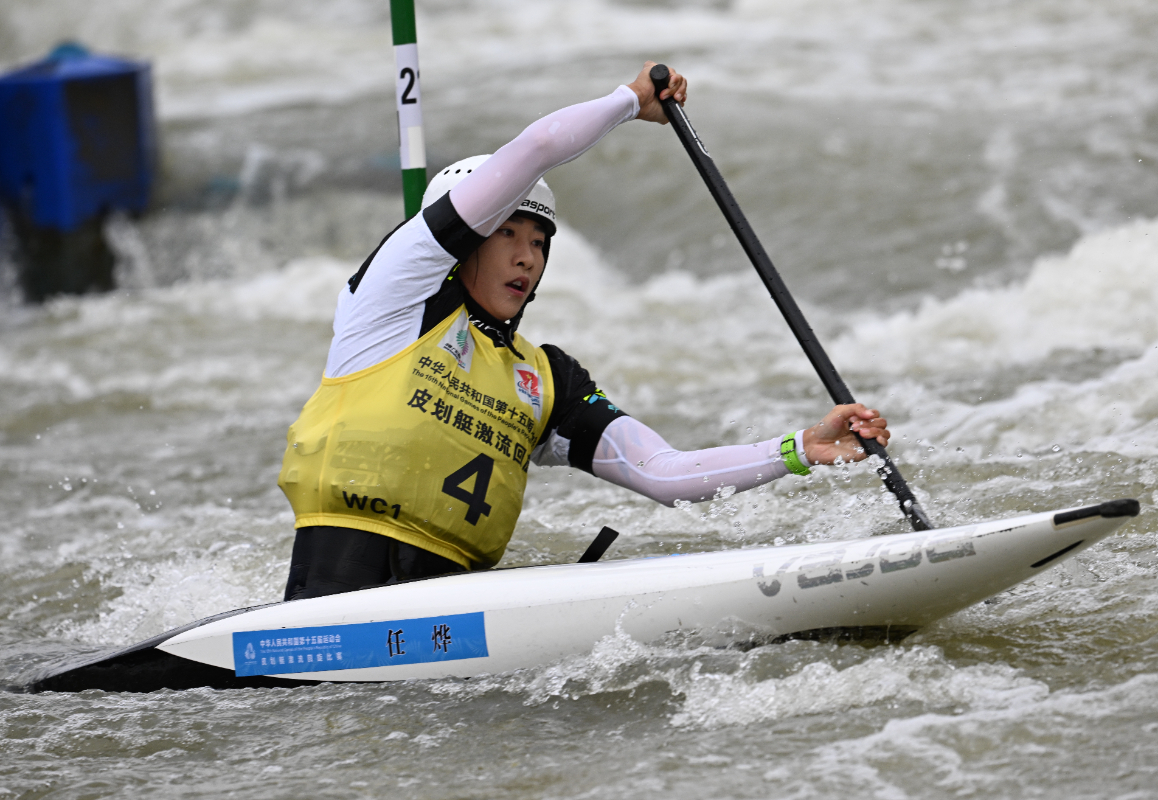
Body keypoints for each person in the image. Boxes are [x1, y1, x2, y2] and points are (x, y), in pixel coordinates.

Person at [278, 62, 890, 601]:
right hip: (333, 594)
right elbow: (540, 145)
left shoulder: (546, 379)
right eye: (507, 234)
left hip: (454, 616)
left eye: (540, 243)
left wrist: (799, 448)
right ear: (463, 240)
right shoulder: (391, 303)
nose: (527, 257)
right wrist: (629, 101)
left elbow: (665, 473)